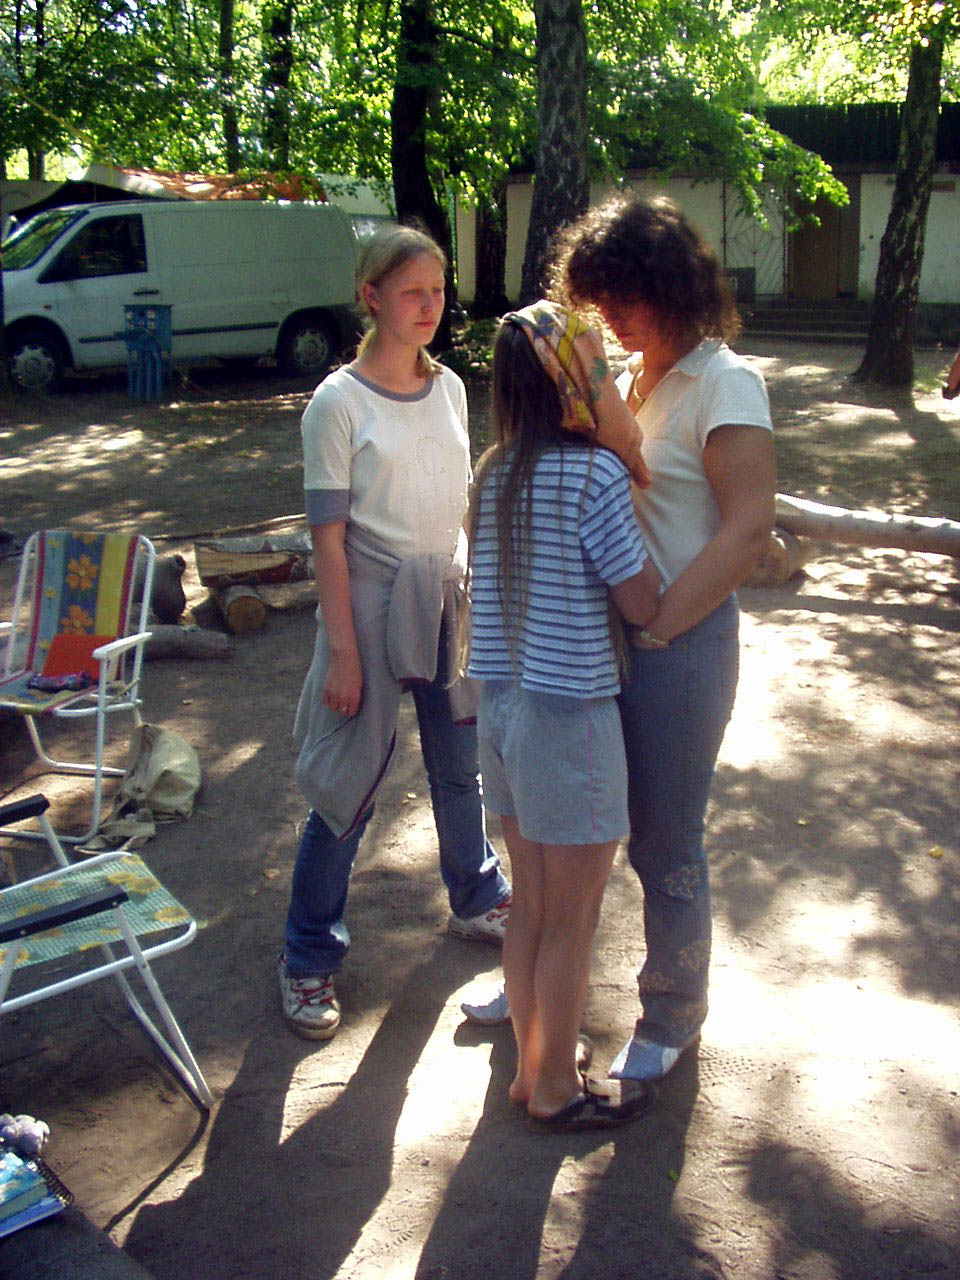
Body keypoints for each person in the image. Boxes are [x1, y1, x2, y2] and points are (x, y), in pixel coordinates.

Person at [462, 195, 776, 1086]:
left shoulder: (725, 383)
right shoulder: (620, 377)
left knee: (664, 843)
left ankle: (671, 1012)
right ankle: (537, 990)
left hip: (677, 646)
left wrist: (661, 624)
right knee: (560, 831)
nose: (611, 315)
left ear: (673, 287)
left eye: (624, 296)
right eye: (597, 300)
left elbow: (749, 526)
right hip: (594, 649)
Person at [278, 224, 511, 1040]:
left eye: (438, 290)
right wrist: (344, 655)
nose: (430, 306)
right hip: (369, 604)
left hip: (443, 595)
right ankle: (307, 957)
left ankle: (476, 896)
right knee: (346, 788)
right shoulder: (338, 403)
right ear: (370, 296)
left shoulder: (448, 388)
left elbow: (458, 502)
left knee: (460, 767)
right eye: (413, 291)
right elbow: (328, 541)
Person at [464, 305, 662, 1131]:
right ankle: (553, 1089)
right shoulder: (593, 477)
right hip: (570, 718)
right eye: (598, 366)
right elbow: (641, 600)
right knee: (572, 921)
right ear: (575, 380)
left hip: (504, 715)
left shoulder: (494, 472)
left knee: (534, 905)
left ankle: (531, 1069)